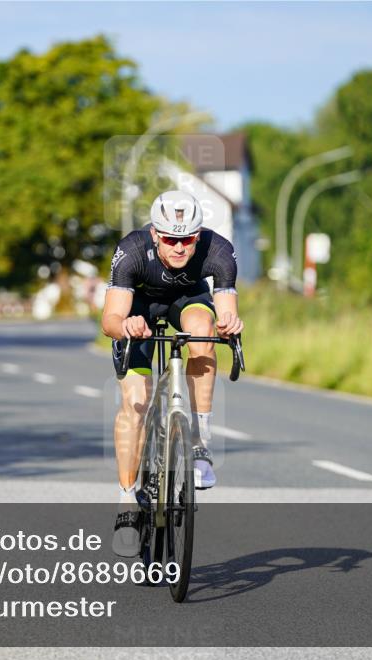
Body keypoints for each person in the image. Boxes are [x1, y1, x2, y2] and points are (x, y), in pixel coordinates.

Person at [100, 190, 244, 557]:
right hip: (139, 311)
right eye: (170, 239)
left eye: (188, 239)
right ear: (154, 235)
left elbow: (226, 309)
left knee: (204, 334)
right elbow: (109, 319)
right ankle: (127, 502)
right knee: (135, 402)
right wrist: (126, 326)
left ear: (198, 235)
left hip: (187, 301)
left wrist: (229, 323)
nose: (180, 247)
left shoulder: (220, 251)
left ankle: (199, 446)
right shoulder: (131, 251)